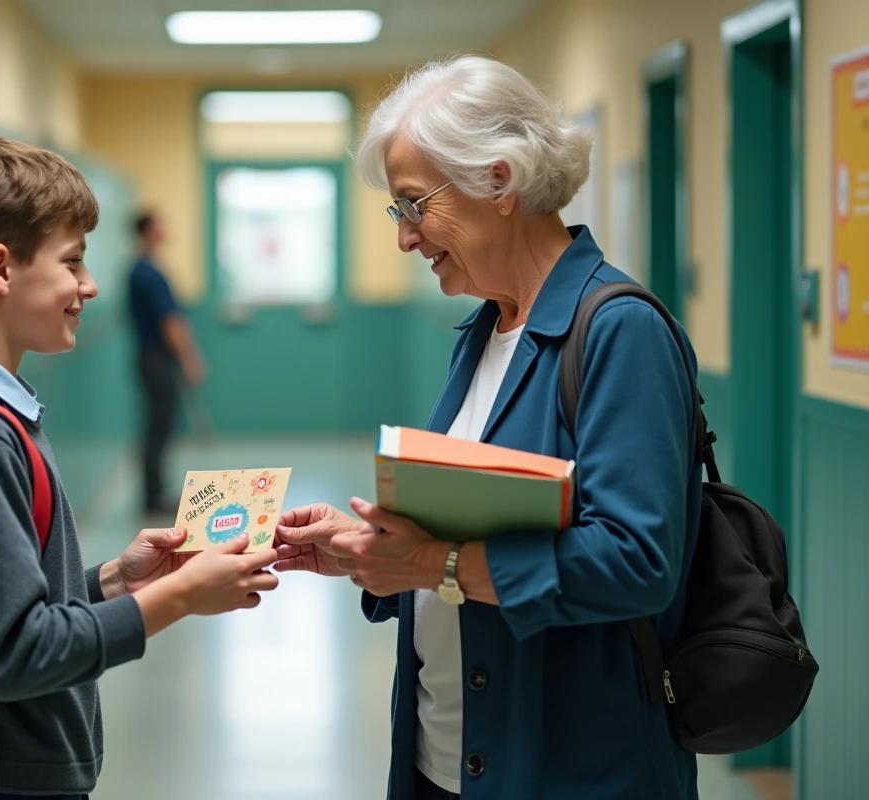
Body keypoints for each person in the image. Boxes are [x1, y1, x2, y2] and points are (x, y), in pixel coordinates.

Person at [275, 56, 702, 800]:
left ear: (498, 182)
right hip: (447, 761)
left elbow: (637, 560)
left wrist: (431, 566)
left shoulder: (619, 330)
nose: (406, 238)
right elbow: (471, 521)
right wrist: (371, 550)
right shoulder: (483, 330)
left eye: (413, 205)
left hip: (566, 766)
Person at [0, 135, 278, 800]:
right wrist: (178, 597)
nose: (89, 286)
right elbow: (15, 652)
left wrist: (111, 583)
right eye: (73, 262)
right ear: (1, 271)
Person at [127, 211, 206, 515]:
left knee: (156, 427)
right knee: (158, 428)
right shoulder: (149, 272)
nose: (165, 228)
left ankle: (155, 492)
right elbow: (170, 321)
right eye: (160, 223)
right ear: (148, 230)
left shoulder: (139, 268)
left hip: (148, 358)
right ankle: (153, 496)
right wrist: (189, 357)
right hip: (158, 359)